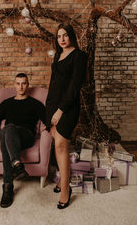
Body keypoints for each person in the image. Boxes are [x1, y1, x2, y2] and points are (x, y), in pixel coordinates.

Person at [0, 73, 46, 208]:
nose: (21, 86)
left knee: (7, 130)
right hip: (9, 136)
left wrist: (47, 128)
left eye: (24, 83)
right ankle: (13, 172)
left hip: (26, 136)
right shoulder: (7, 103)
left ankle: (8, 184)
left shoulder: (35, 104)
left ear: (27, 85)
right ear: (14, 85)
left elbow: (46, 120)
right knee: (7, 132)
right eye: (18, 83)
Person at [46, 23, 88, 209]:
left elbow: (74, 86)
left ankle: (65, 189)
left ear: (71, 36)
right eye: (59, 36)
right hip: (52, 105)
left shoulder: (79, 56)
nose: (62, 39)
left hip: (67, 108)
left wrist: (61, 110)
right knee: (57, 143)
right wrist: (48, 110)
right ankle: (62, 180)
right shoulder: (58, 55)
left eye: (65, 35)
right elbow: (53, 83)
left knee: (61, 145)